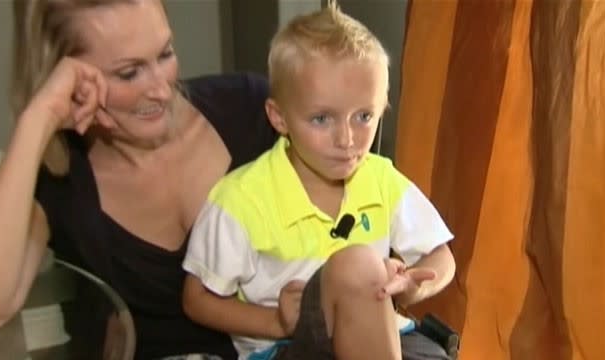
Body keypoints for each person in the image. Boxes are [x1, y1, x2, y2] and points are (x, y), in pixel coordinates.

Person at [0, 0, 277, 359]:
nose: (163, 90)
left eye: (165, 54)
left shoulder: (254, 110)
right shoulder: (57, 180)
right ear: (62, 75)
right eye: (129, 73)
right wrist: (40, 117)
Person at [182, 3, 456, 360]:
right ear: (279, 118)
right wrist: (276, 322)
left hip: (387, 332)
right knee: (357, 265)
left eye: (363, 116)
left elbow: (442, 258)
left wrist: (409, 288)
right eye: (322, 119)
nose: (347, 139)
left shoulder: (381, 179)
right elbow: (197, 299)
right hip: (288, 346)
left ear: (383, 109)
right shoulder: (241, 200)